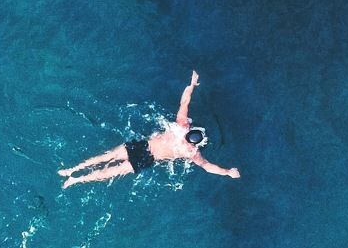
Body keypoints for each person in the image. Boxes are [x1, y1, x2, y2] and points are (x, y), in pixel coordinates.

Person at [59, 71, 241, 188]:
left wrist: (192, 85)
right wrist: (227, 172)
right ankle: (74, 177)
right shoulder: (189, 147)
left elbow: (184, 102)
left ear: (191, 132)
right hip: (145, 156)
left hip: (143, 149)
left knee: (107, 160)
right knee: (108, 169)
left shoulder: (183, 130)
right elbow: (207, 166)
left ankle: (73, 173)